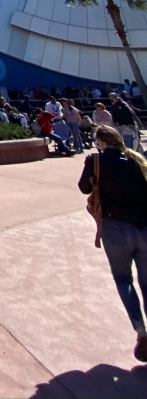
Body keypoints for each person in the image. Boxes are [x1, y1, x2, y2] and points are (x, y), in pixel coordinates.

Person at [79, 124, 147, 363]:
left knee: (123, 279)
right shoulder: (136, 159)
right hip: (143, 226)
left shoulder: (96, 161)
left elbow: (83, 188)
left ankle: (140, 330)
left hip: (115, 228)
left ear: (101, 142)